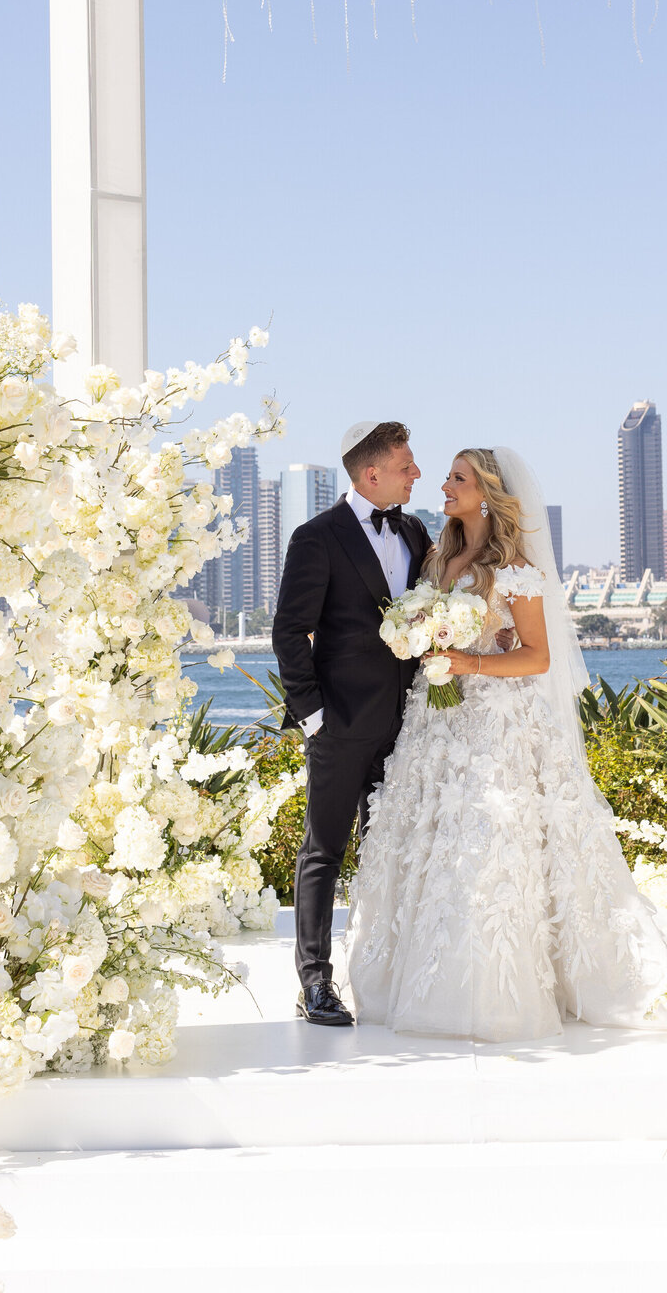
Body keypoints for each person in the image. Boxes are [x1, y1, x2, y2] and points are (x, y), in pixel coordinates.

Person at [345, 446, 667, 1043]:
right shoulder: (436, 559)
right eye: (445, 476)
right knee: (433, 842)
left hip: (494, 727)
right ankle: (417, 975)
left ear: (489, 493)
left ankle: (500, 986)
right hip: (435, 725)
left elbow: (537, 656)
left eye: (457, 478)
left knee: (491, 846)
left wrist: (466, 661)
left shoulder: (515, 569)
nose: (442, 485)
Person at [272, 421, 431, 1026]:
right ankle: (314, 983)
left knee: (388, 850)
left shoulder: (415, 530)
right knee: (324, 852)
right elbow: (290, 630)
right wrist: (312, 716)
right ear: (372, 474)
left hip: (406, 727)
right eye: (406, 464)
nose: (416, 473)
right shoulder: (317, 537)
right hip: (339, 725)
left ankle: (386, 972)